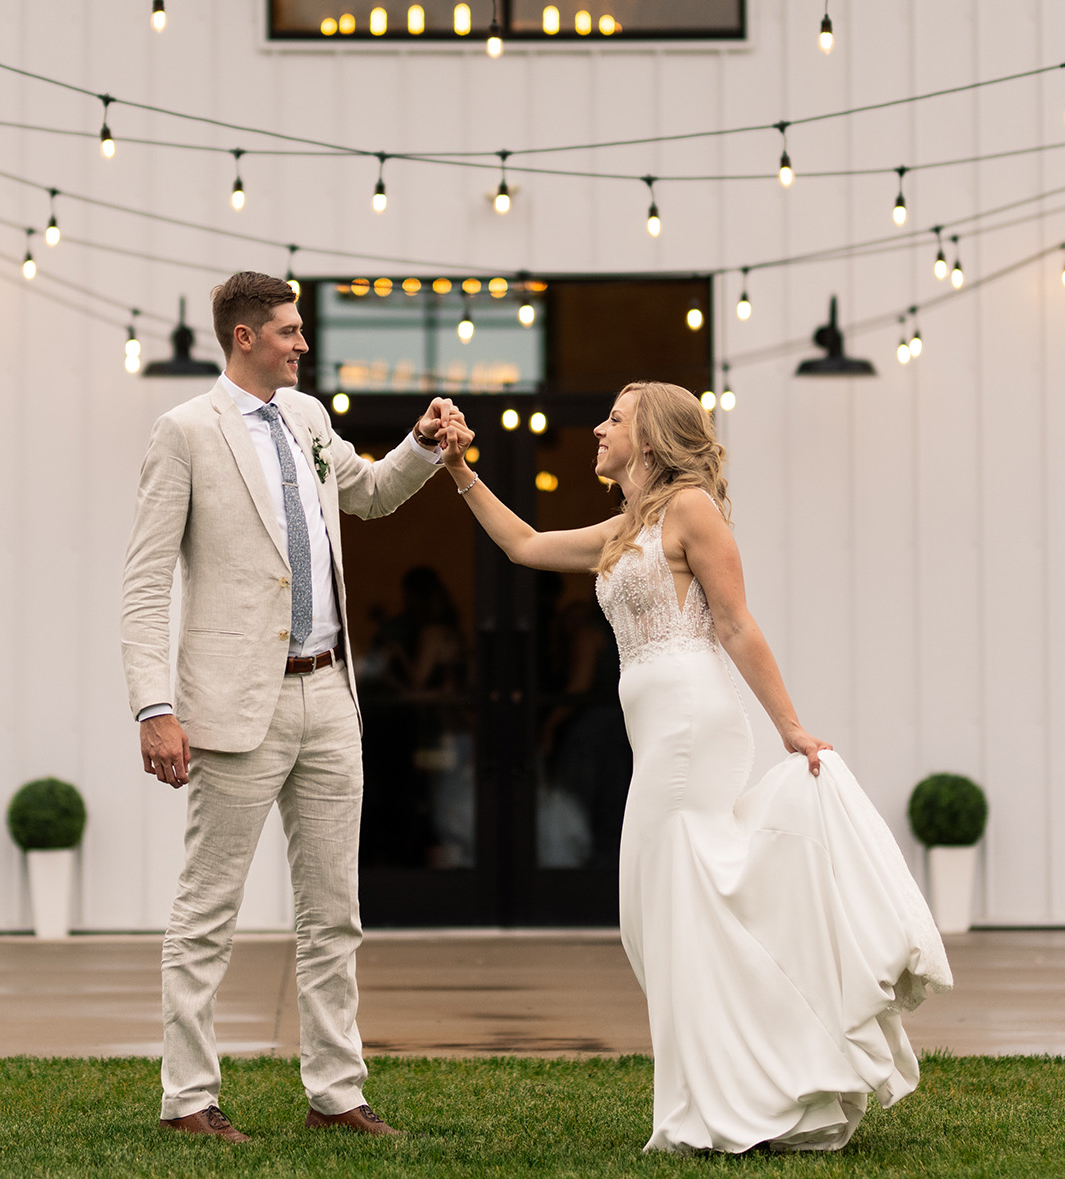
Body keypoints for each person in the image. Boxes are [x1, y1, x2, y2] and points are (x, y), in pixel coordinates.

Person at [442, 381, 951, 1154]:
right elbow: (524, 545)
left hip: (691, 727)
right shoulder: (627, 526)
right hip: (659, 732)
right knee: (655, 916)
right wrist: (459, 470)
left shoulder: (692, 510)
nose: (600, 428)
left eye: (615, 417)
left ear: (649, 437)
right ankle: (755, 1078)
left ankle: (705, 1112)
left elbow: (737, 622)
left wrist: (791, 726)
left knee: (679, 909)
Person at [120, 271, 473, 1144]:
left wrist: (423, 444)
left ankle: (336, 1092)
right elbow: (143, 584)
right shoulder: (185, 434)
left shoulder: (309, 419)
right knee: (208, 910)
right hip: (235, 705)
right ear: (243, 337)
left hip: (329, 692)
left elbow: (374, 493)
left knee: (334, 911)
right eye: (287, 330)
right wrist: (152, 707)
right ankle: (187, 1100)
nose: (301, 343)